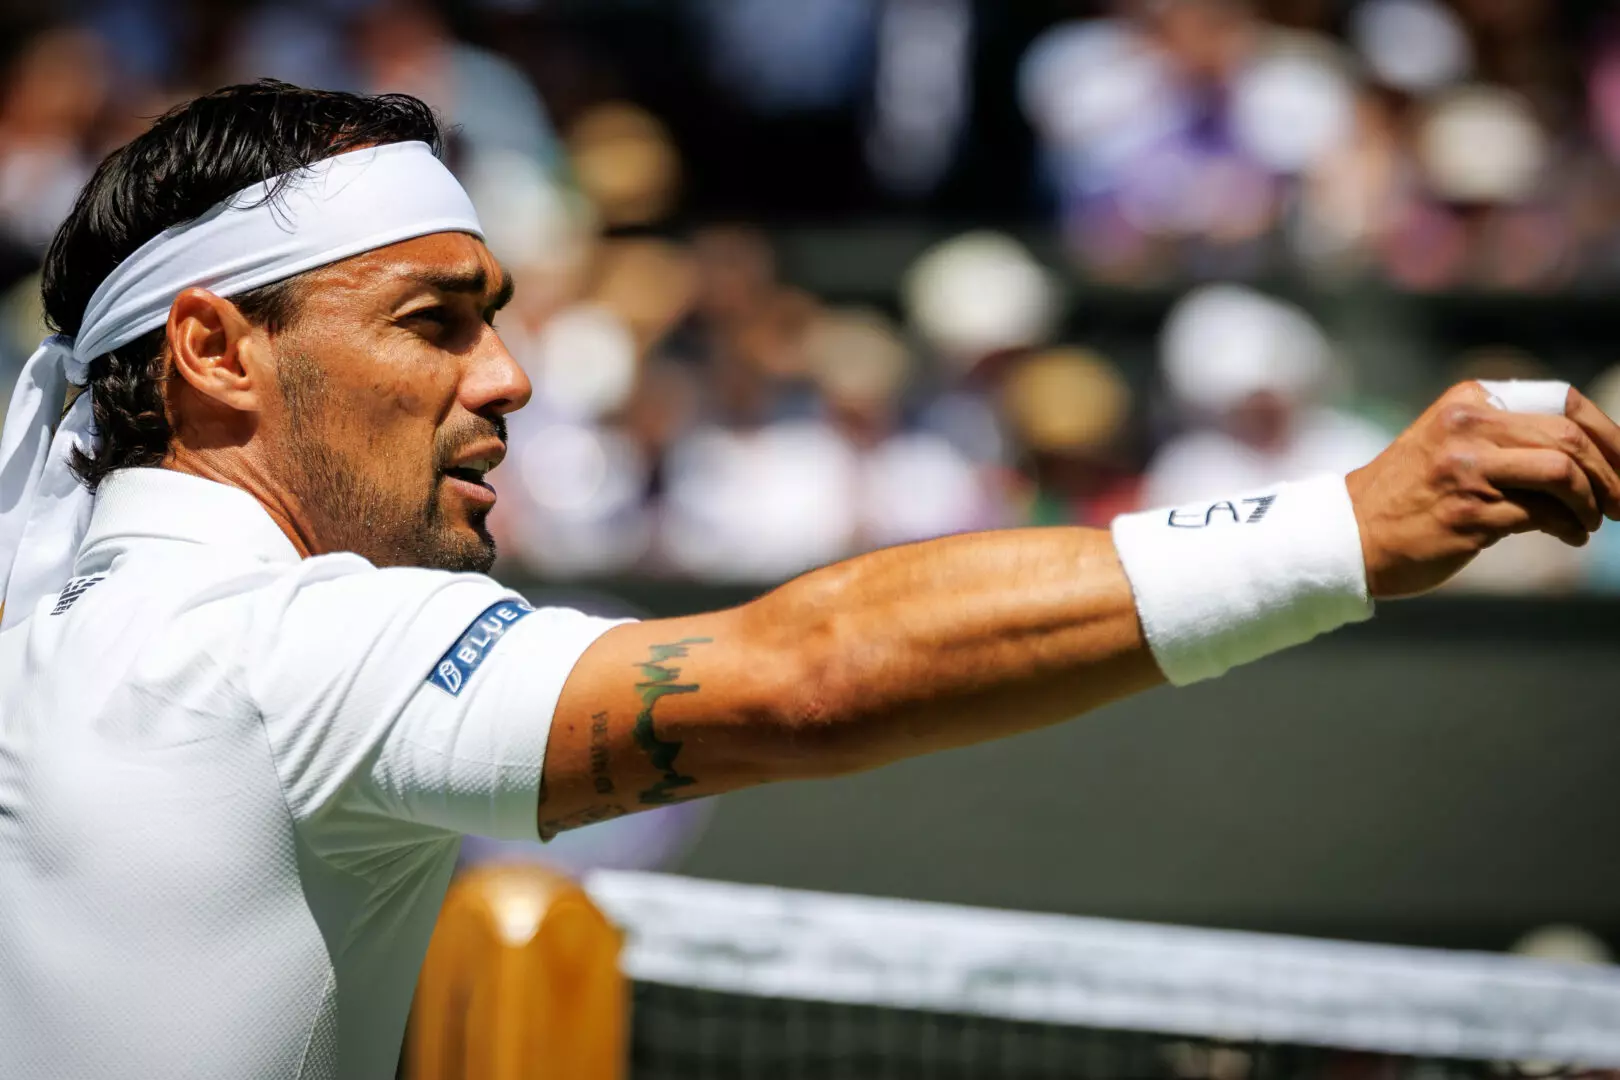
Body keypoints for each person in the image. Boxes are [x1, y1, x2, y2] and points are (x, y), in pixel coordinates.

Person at [1, 83, 1617, 1080]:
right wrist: (1352, 529)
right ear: (215, 351)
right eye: (435, 321)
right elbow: (811, 674)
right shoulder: (290, 653)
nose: (507, 377)